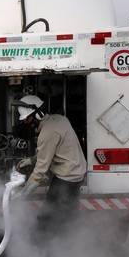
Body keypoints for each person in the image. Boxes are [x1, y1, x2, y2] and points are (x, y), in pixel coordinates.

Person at [14, 94, 88, 232]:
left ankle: (44, 246)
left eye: (28, 118)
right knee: (68, 214)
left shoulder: (47, 134)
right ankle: (71, 239)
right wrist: (31, 160)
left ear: (38, 115)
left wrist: (23, 195)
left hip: (66, 178)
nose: (26, 122)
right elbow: (55, 150)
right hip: (77, 174)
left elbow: (40, 172)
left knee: (47, 218)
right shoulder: (60, 120)